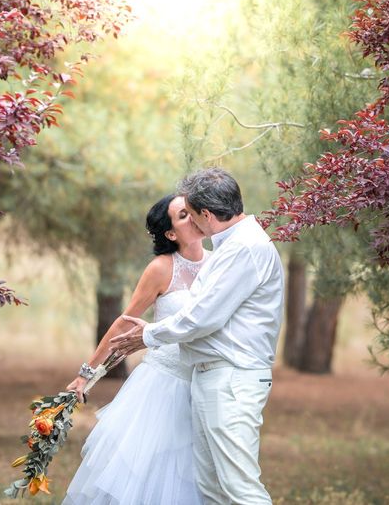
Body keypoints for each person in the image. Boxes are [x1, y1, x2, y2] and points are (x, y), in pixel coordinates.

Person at [112, 167, 285, 505]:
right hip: (212, 377)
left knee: (240, 489)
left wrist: (149, 335)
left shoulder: (244, 249)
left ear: (207, 215)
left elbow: (202, 317)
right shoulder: (233, 246)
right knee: (211, 489)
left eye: (191, 215)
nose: (191, 223)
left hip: (232, 380)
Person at [62, 194, 207, 505]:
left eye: (193, 209)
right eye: (183, 215)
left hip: (205, 385)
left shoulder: (220, 263)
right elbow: (124, 324)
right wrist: (86, 374)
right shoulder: (161, 268)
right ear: (171, 233)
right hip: (161, 388)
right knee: (147, 477)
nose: (193, 216)